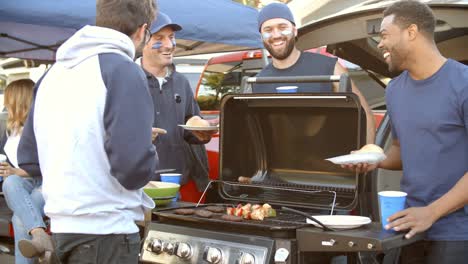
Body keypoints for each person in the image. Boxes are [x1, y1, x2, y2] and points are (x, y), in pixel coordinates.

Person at [17, 0, 158, 263]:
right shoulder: (124, 70)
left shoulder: (52, 75)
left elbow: (29, 159)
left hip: (61, 231)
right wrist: (149, 151)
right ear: (142, 30)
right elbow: (132, 169)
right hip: (107, 234)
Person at [343, 1, 468, 263]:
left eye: (385, 34)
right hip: (409, 225)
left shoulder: (463, 83)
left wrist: (431, 212)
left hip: (457, 232)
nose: (379, 44)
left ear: (411, 32)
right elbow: (401, 150)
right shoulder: (395, 90)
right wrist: (372, 161)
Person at [254, 3, 376, 144]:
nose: (276, 35)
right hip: (284, 164)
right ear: (261, 36)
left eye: (282, 27)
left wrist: (367, 152)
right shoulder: (258, 82)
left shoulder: (328, 67)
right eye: (268, 30)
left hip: (333, 162)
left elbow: (363, 112)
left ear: (294, 31)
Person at [139, 12, 216, 203]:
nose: (168, 45)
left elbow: (190, 123)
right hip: (138, 188)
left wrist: (201, 132)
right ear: (142, 40)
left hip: (175, 187)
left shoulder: (181, 82)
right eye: (159, 38)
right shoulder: (127, 79)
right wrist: (136, 137)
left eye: (171, 38)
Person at [1, 79, 50, 264]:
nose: (5, 104)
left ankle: (37, 236)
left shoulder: (43, 127)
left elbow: (53, 165)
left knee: (20, 218)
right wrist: (9, 171)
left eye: (8, 100)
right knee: (10, 182)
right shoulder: (11, 131)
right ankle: (39, 233)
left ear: (18, 101)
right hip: (24, 185)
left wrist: (18, 171)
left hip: (48, 183)